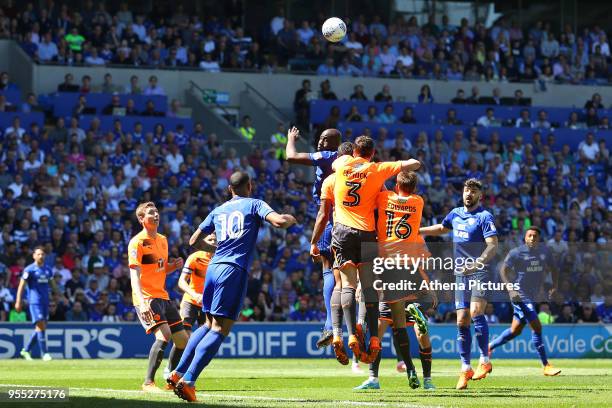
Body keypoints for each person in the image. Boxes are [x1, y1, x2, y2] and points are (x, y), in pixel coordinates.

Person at [168, 171, 297, 402]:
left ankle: (177, 372)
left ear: (230, 189)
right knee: (220, 329)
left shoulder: (218, 210)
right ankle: (188, 380)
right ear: (250, 185)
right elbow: (278, 222)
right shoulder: (255, 203)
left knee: (207, 324)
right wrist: (290, 218)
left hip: (213, 270)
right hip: (233, 271)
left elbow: (193, 241)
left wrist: (215, 251)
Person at [312, 136, 420, 367]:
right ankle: (372, 338)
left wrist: (313, 241)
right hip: (367, 234)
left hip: (341, 232)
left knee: (345, 285)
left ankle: (346, 333)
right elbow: (413, 163)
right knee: (368, 286)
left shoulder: (339, 168)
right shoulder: (377, 169)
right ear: (372, 153)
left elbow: (335, 166)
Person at [353, 171, 435, 390]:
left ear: (396, 185)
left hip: (386, 267)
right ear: (415, 188)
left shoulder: (385, 199)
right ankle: (426, 379)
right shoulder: (418, 203)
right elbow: (423, 264)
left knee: (379, 329)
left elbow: (377, 187)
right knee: (419, 332)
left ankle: (373, 378)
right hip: (409, 275)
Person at [420, 178, 498, 390]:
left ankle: (484, 360)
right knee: (461, 320)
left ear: (480, 195)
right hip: (460, 274)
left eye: (473, 191)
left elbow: (493, 246)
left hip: (480, 271)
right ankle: (465, 368)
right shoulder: (455, 214)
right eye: (466, 190)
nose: (469, 194)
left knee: (475, 312)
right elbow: (442, 229)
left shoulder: (484, 216)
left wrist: (477, 263)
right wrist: (420, 230)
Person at [286, 127, 341, 348]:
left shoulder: (328, 156)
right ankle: (359, 325)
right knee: (346, 274)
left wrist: (291, 139)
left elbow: (291, 156)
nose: (319, 143)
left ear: (334, 143)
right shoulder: (349, 161)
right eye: (319, 139)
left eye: (324, 139)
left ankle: (330, 325)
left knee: (327, 267)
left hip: (330, 215)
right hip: (352, 218)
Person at [128, 202, 188, 392]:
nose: (156, 215)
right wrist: (142, 301)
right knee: (164, 335)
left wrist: (173, 266)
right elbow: (134, 275)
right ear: (141, 219)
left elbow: (158, 268)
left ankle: (172, 378)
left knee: (182, 340)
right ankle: (148, 382)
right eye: (151, 213)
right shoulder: (137, 242)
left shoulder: (162, 239)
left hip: (162, 295)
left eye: (156, 212)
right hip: (146, 298)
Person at [488, 227, 561, 376]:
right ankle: (546, 365)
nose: (532, 238)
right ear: (525, 238)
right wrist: (510, 288)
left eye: (535, 236)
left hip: (532, 296)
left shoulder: (545, 252)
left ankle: (490, 346)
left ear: (539, 239)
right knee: (537, 326)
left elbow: (554, 268)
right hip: (519, 294)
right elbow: (503, 270)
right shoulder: (517, 252)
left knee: (515, 331)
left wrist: (554, 286)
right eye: (529, 236)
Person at [15, 246, 54, 361]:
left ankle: (25, 350)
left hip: (45, 302)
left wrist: (61, 296)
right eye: (38, 254)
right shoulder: (29, 269)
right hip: (34, 301)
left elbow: (53, 286)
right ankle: (45, 353)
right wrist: (18, 301)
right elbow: (21, 286)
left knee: (40, 328)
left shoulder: (48, 269)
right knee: (40, 324)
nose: (41, 256)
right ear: (34, 256)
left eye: (42, 254)